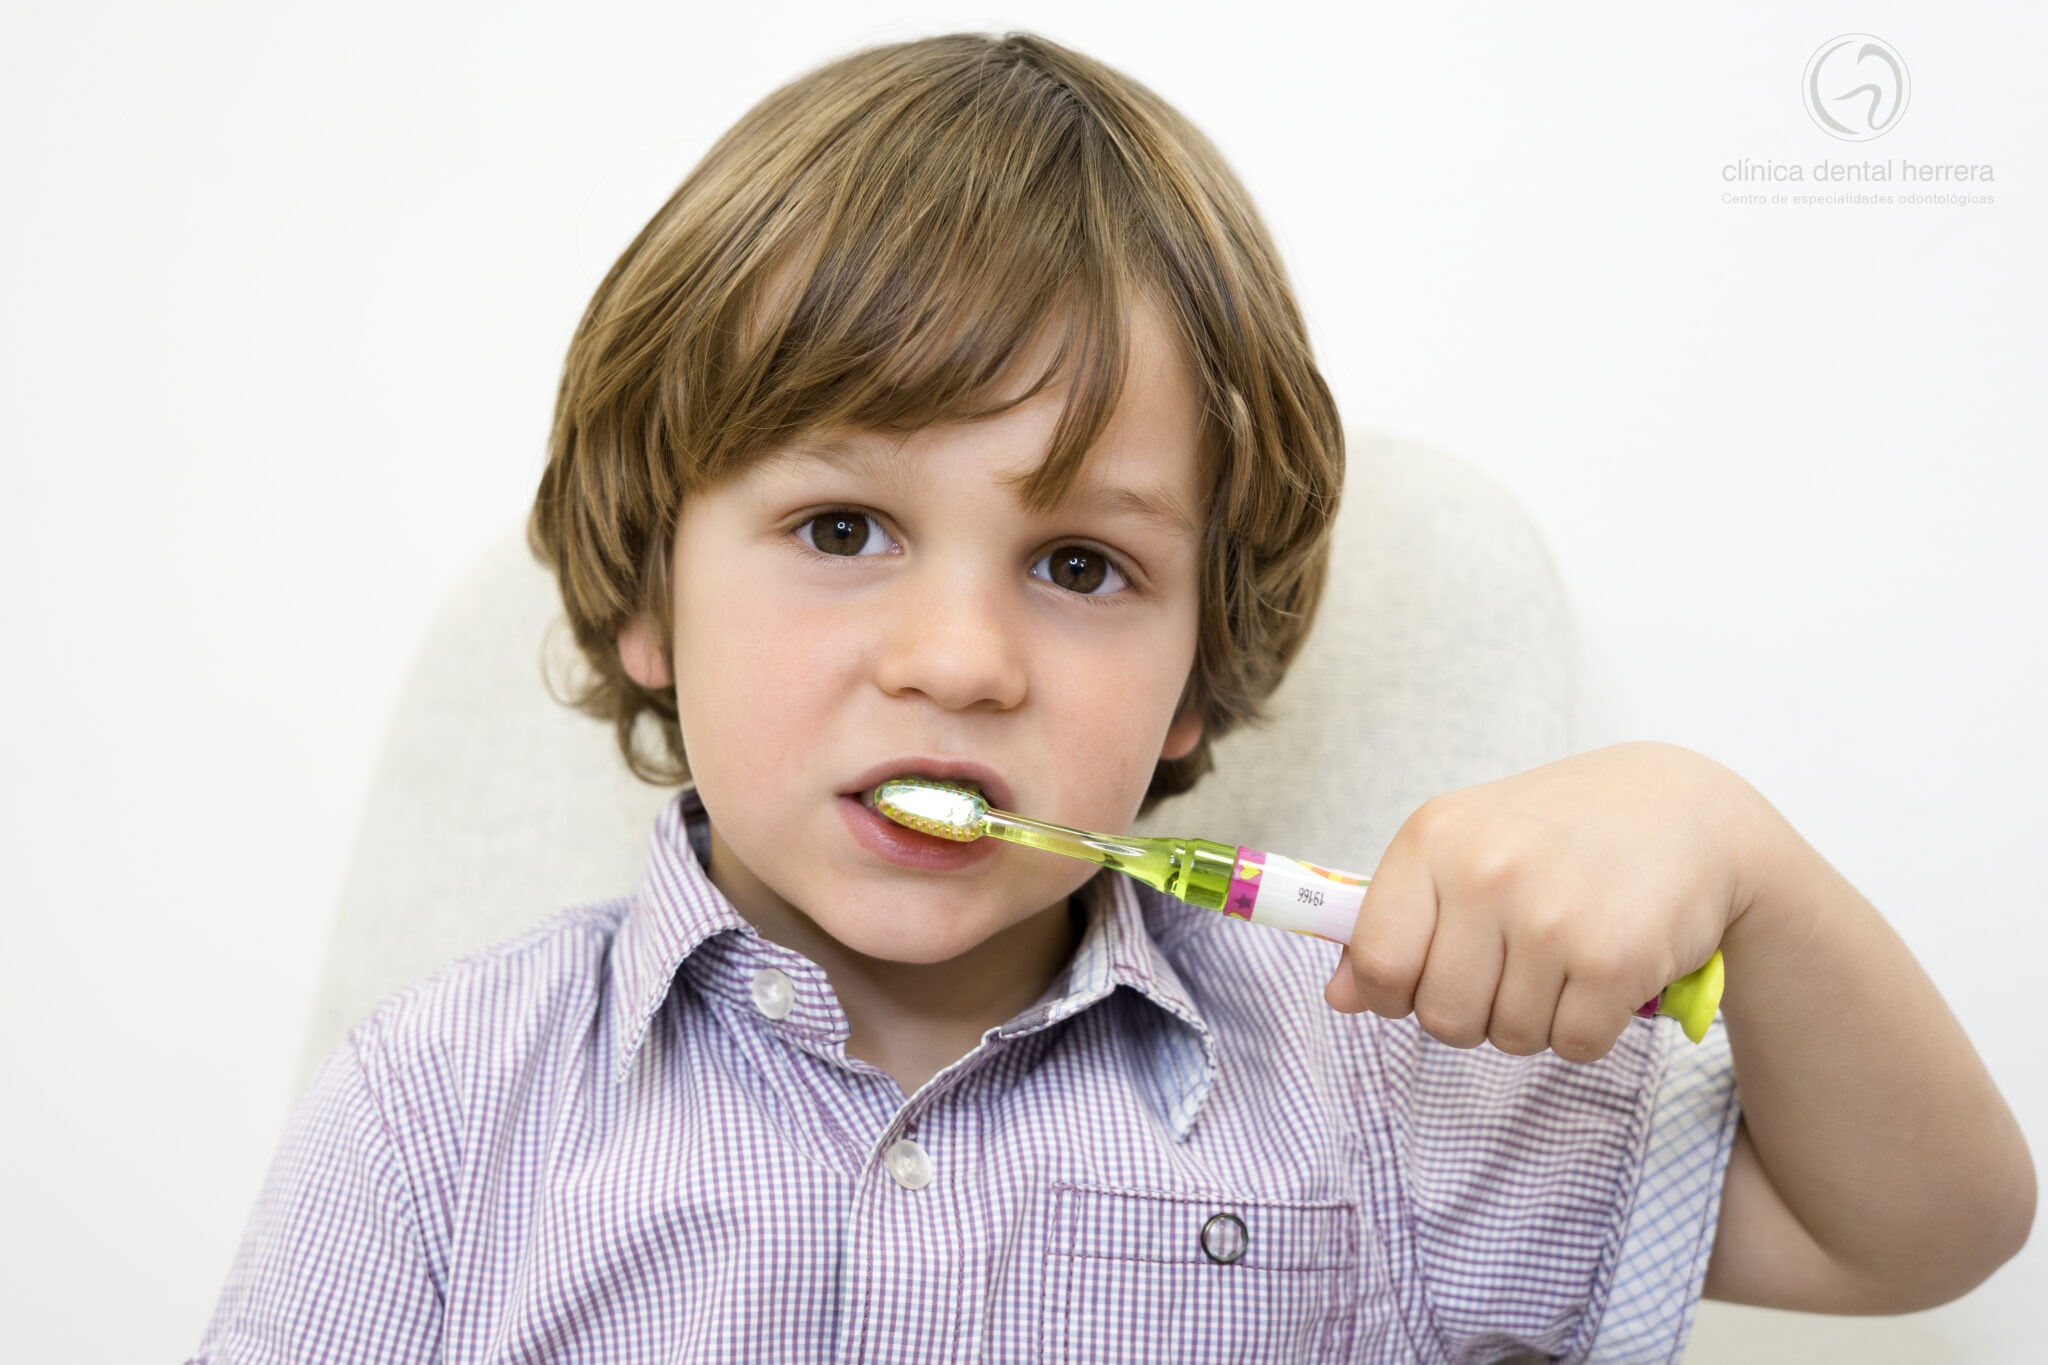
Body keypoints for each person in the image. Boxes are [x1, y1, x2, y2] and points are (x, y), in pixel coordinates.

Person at [188, 31, 2033, 1363]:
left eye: (1082, 567)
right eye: (842, 524)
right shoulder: (439, 1114)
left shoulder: (1370, 1089)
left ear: (1188, 677)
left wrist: (1741, 856)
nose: (965, 657)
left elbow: (1925, 1232)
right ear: (649, 595)